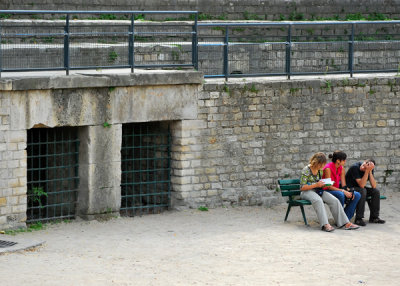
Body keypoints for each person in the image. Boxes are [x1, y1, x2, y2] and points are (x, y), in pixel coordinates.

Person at [300, 152, 359, 232]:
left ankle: (345, 223)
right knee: (318, 200)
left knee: (334, 200)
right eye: (320, 165)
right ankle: (325, 224)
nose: (321, 167)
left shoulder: (319, 170)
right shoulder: (306, 170)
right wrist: (316, 185)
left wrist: (325, 184)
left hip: (318, 190)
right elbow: (302, 187)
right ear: (315, 162)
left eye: (322, 165)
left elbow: (320, 183)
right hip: (307, 191)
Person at [345, 159, 385, 226]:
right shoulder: (355, 167)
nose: (363, 167)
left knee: (376, 191)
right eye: (364, 165)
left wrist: (369, 171)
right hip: (349, 188)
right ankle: (359, 218)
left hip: (360, 188)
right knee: (363, 191)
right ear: (364, 162)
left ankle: (374, 217)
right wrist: (366, 171)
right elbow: (361, 185)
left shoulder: (369, 169)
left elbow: (374, 185)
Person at [323, 151, 361, 220]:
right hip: (327, 191)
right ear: (338, 160)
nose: (345, 161)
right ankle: (340, 219)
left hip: (337, 190)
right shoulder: (328, 168)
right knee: (341, 194)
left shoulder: (341, 168)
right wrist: (343, 191)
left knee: (357, 194)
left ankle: (345, 219)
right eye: (344, 160)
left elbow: (344, 185)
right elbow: (328, 186)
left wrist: (349, 191)